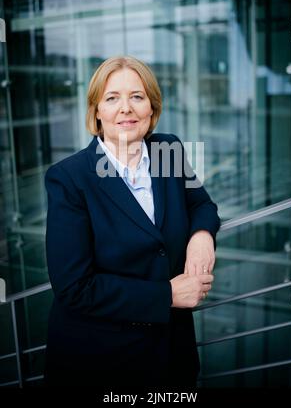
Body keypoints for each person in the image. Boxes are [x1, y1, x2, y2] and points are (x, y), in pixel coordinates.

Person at [44, 55, 220, 388]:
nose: (126, 108)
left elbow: (201, 204)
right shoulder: (69, 178)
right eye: (112, 98)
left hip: (172, 355)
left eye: (137, 97)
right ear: (97, 111)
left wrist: (201, 236)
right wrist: (166, 294)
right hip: (103, 363)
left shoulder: (167, 149)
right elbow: (74, 288)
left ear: (151, 108)